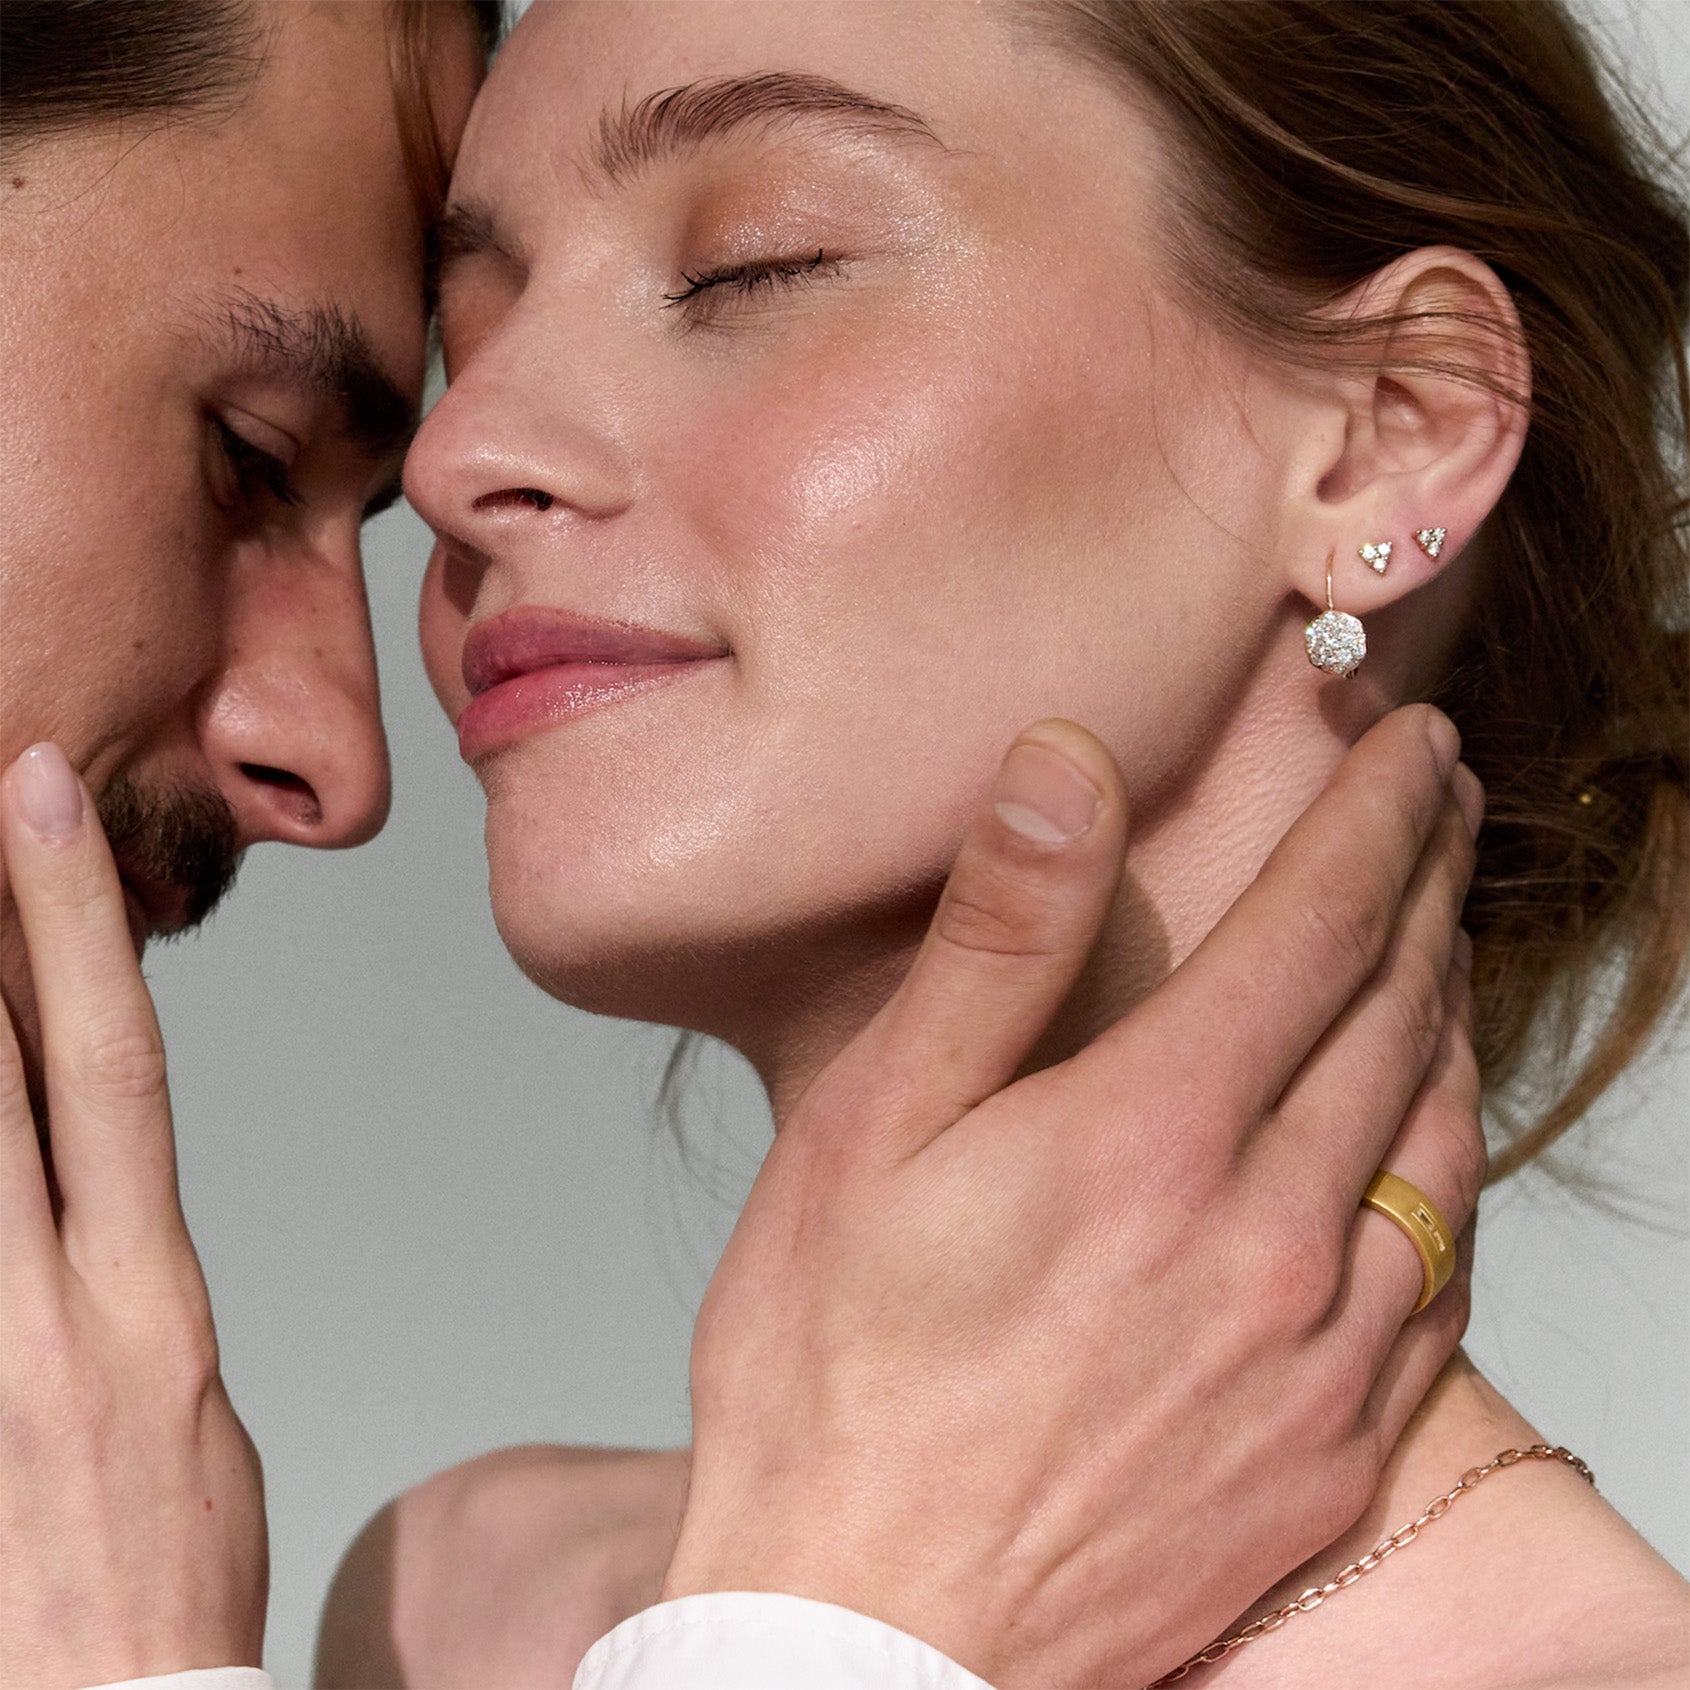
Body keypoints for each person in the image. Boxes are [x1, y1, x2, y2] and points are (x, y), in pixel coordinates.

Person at [0, 1, 1500, 1687]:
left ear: (1389, 428)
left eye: (745, 270)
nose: (459, 453)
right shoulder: (465, 1612)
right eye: (475, 343)